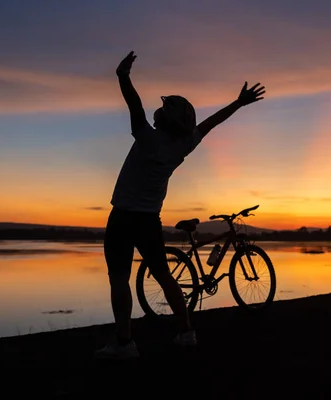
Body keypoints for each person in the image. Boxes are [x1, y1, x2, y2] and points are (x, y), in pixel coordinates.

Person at [94, 51, 266, 360]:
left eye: (163, 108)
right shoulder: (183, 145)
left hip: (123, 219)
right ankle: (186, 332)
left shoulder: (148, 138)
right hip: (149, 221)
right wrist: (239, 103)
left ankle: (124, 342)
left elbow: (135, 105)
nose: (158, 111)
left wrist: (123, 76)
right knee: (163, 274)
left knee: (119, 279)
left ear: (167, 118)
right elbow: (211, 123)